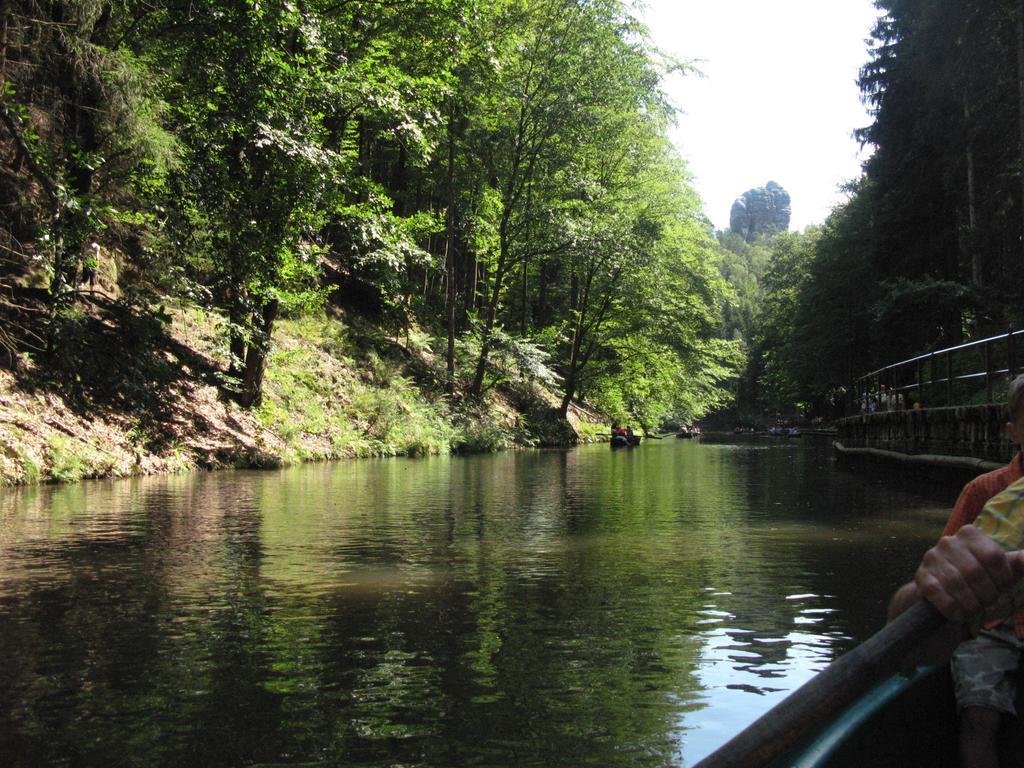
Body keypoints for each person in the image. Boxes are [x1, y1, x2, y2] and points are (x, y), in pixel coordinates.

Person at [889, 374, 1024, 768]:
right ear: (1013, 431)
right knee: (979, 714)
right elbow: (938, 581)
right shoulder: (985, 490)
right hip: (992, 628)